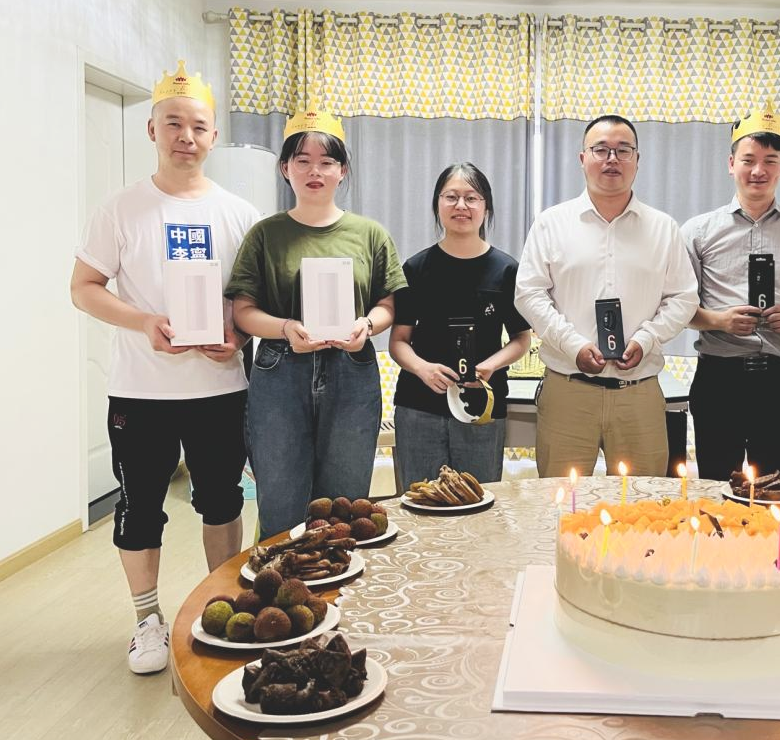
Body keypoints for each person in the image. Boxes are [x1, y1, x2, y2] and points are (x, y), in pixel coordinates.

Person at [70, 61, 258, 674]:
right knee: (139, 507)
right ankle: (146, 620)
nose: (186, 136)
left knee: (222, 500)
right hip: (140, 391)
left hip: (219, 388)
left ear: (214, 135)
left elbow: (250, 301)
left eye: (198, 126)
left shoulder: (240, 213)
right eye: (173, 123)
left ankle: (221, 605)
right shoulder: (120, 209)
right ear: (152, 129)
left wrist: (237, 336)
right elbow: (84, 288)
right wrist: (145, 322)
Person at [226, 101, 407, 539]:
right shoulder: (266, 234)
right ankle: (284, 579)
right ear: (285, 168)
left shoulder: (370, 234)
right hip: (279, 371)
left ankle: (341, 580)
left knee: (345, 504)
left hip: (351, 370)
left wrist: (367, 325)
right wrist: (285, 328)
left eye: (327, 162)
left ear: (342, 171)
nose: (315, 171)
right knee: (281, 501)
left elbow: (388, 305)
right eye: (302, 160)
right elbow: (243, 312)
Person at [515, 115, 699, 478]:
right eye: (600, 149)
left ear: (637, 160)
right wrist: (573, 345)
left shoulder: (663, 228)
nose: (612, 158)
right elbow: (529, 293)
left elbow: (683, 298)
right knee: (561, 502)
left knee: (642, 502)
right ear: (583, 158)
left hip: (639, 392)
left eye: (623, 150)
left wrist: (646, 339)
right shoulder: (551, 223)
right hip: (568, 390)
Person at [682, 104, 780, 481]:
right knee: (716, 487)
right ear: (731, 163)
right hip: (719, 377)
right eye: (748, 160)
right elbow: (680, 306)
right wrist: (720, 321)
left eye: (770, 161)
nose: (758, 170)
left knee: (776, 487)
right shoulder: (697, 232)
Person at [389, 163, 531, 486]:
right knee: (421, 500)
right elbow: (398, 341)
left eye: (471, 198)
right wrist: (423, 369)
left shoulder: (506, 270)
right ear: (437, 204)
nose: (461, 206)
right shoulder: (416, 268)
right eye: (451, 197)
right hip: (419, 406)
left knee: (479, 501)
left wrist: (491, 365)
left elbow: (521, 338)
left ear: (486, 207)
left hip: (482, 407)